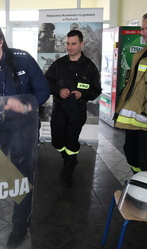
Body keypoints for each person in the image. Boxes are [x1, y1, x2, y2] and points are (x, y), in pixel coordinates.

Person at [0, 22, 50, 249]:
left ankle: (19, 225)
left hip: (24, 127)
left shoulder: (22, 59)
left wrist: (25, 106)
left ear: (1, 42)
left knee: (21, 177)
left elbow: (43, 90)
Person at [45, 30, 101, 188]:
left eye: (73, 44)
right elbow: (47, 82)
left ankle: (68, 169)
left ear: (82, 44)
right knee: (57, 141)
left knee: (71, 141)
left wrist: (81, 94)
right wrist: (58, 90)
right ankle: (67, 157)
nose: (69, 47)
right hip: (59, 111)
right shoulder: (58, 64)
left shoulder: (89, 66)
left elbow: (96, 90)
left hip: (77, 112)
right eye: (67, 44)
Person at [114, 13, 147, 174]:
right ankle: (137, 181)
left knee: (144, 159)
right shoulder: (141, 54)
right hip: (133, 118)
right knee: (131, 154)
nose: (144, 33)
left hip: (145, 121)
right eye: (142, 29)